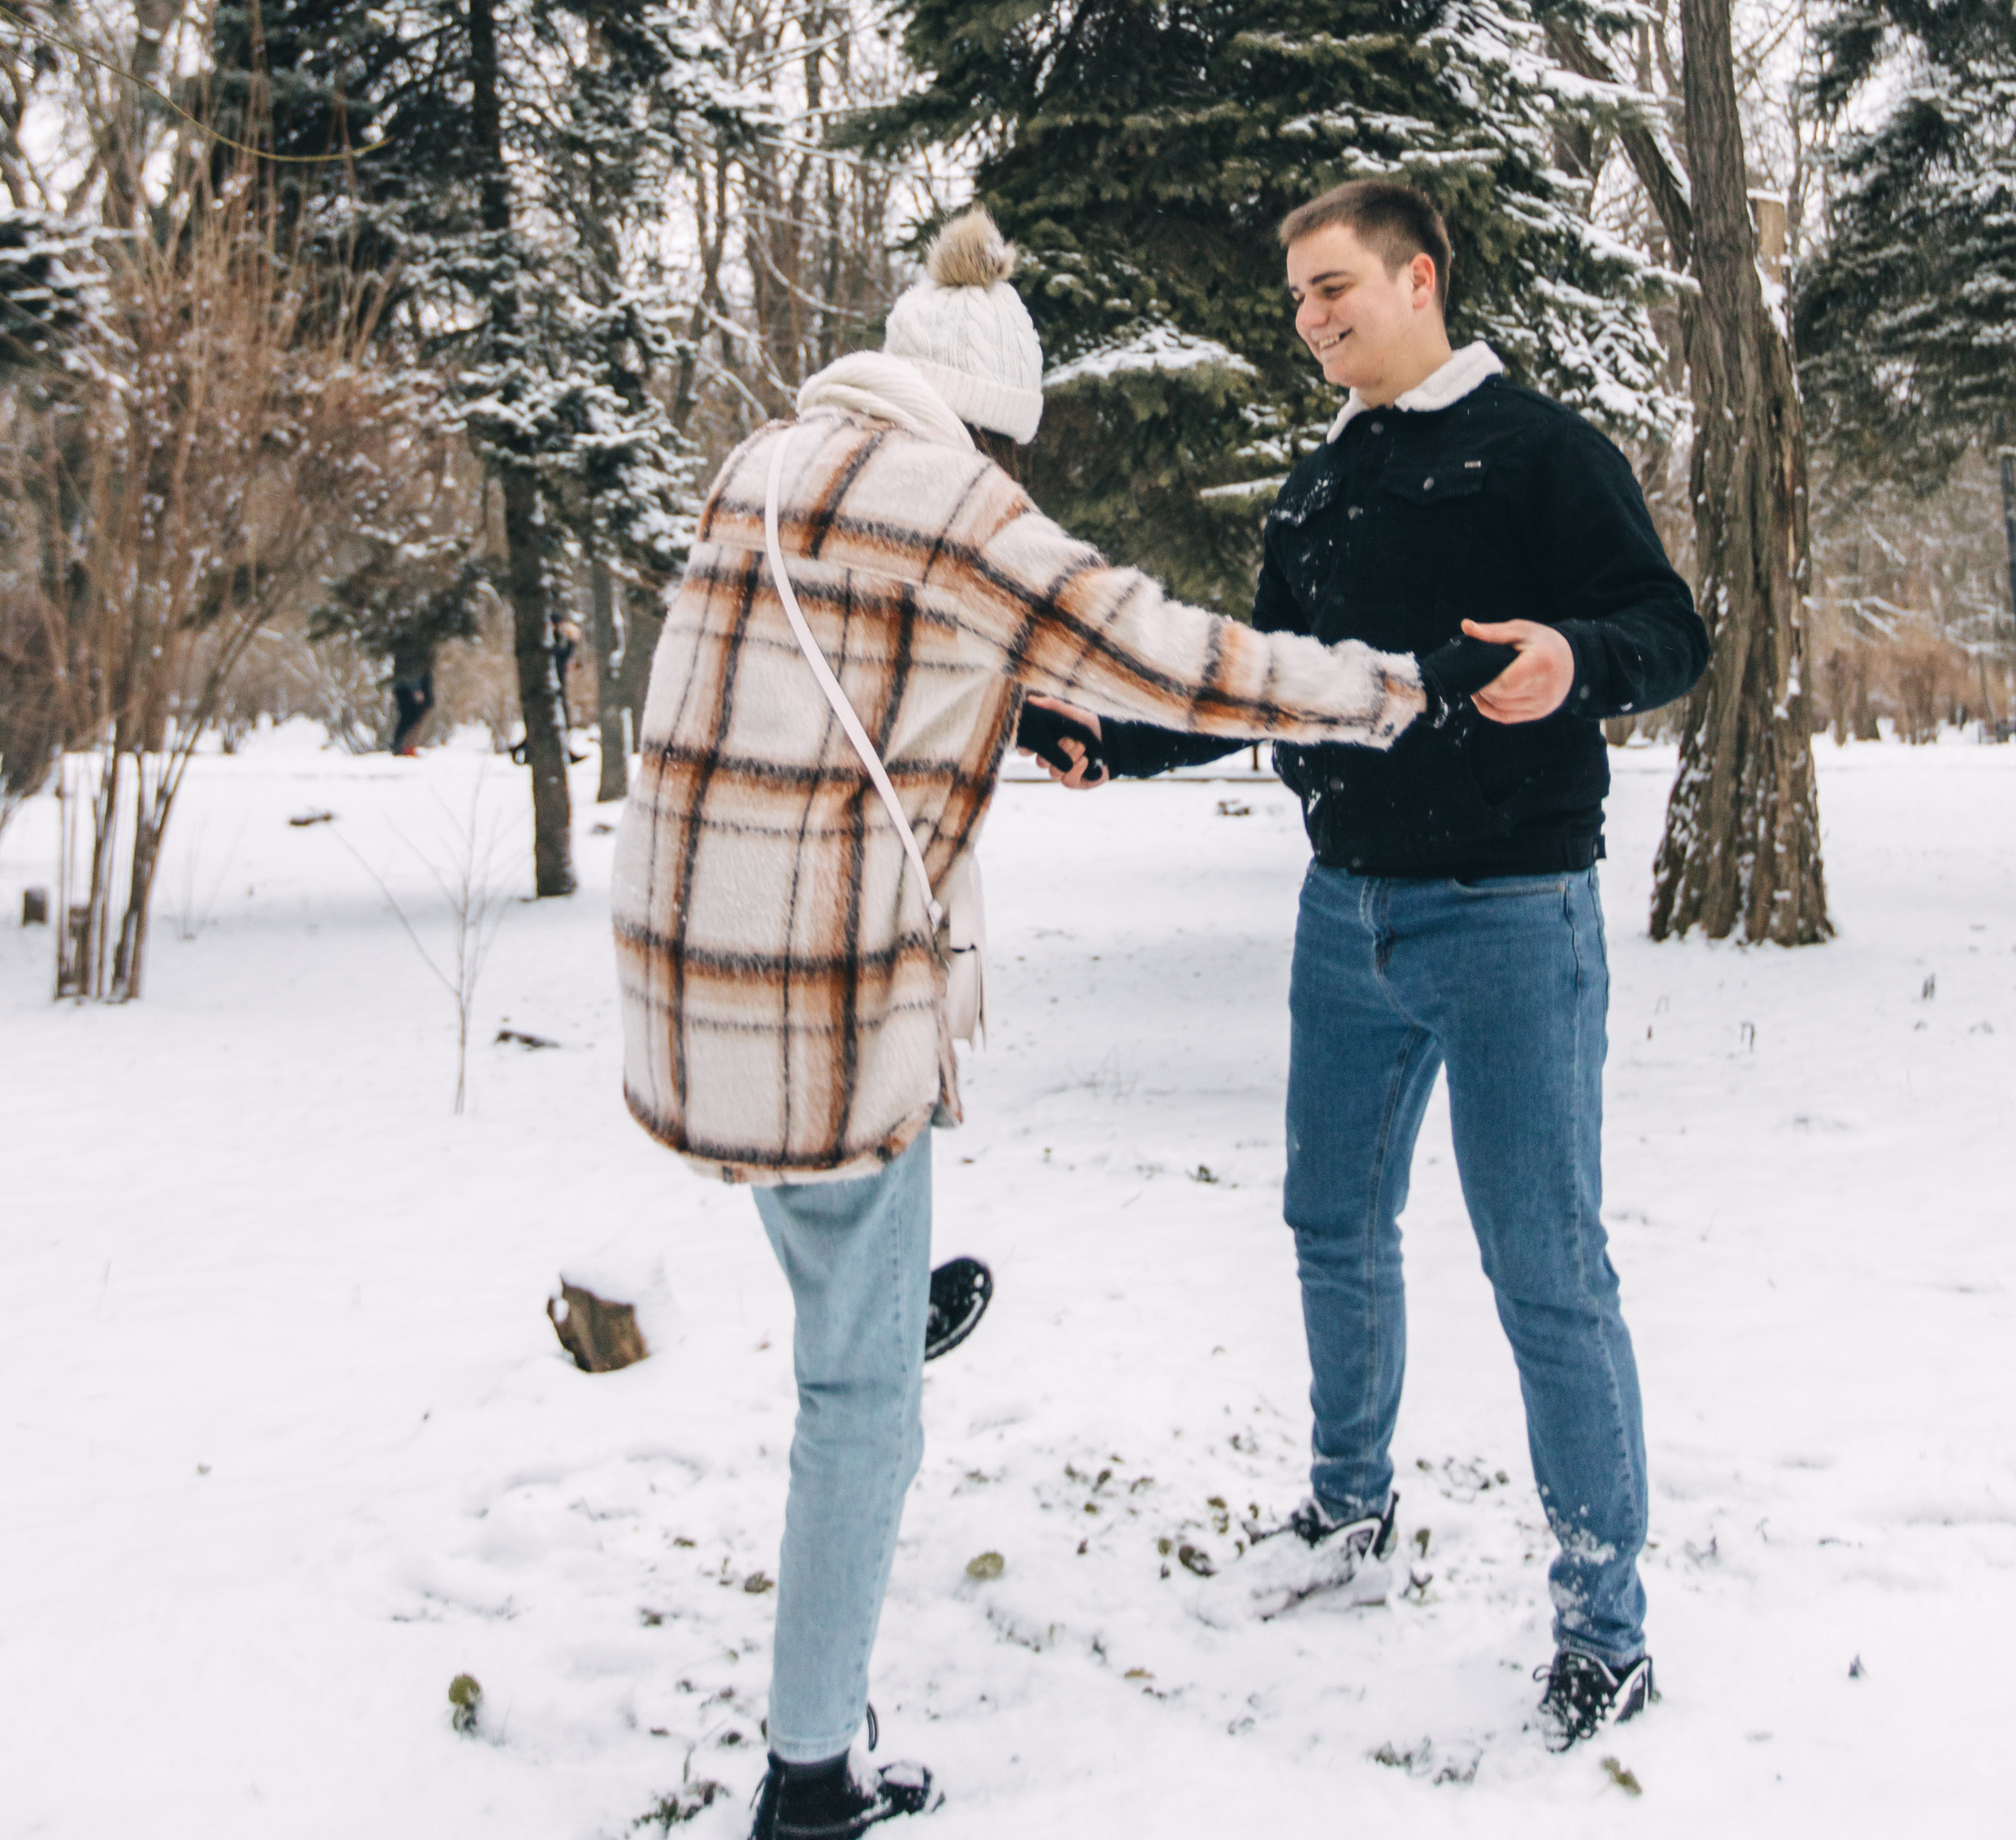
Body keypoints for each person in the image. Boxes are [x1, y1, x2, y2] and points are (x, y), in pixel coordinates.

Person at [610, 210, 1427, 1840]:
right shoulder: (953, 501)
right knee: (856, 1407)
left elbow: (838, 672)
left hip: (682, 969)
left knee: (836, 1236)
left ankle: (878, 1293)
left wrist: (992, 697)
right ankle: (808, 1776)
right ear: (985, 417)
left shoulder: (764, 463)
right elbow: (1162, 656)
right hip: (815, 1000)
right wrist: (1384, 690)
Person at [1042, 179, 1708, 1754]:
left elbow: (1663, 627)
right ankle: (1348, 1515)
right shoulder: (1316, 491)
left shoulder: (1542, 455)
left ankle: (1602, 1629)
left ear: (1419, 279)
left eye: (1334, 286)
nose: (1310, 317)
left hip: (1506, 913)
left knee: (1543, 1271)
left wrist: (1576, 665)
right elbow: (1259, 688)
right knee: (1329, 1223)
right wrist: (1103, 742)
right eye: (1294, 299)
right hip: (1342, 917)